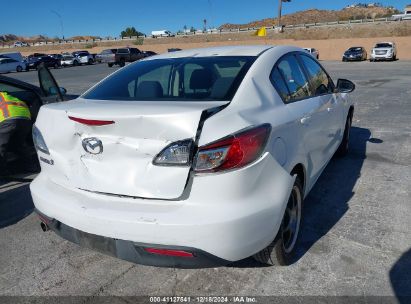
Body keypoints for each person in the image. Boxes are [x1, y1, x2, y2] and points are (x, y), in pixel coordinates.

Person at [0, 91, 36, 177]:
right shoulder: (7, 96)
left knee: (1, 147)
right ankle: (29, 167)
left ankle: (3, 173)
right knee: (18, 144)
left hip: (9, 119)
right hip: (25, 119)